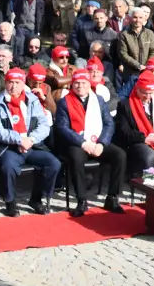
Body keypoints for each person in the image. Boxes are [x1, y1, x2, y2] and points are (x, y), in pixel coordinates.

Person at [55, 69, 128, 217]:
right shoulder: (64, 102)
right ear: (72, 85)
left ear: (89, 84)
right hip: (77, 143)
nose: (80, 86)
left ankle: (112, 197)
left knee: (120, 155)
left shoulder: (98, 100)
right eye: (77, 83)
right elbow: (63, 128)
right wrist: (83, 143)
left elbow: (109, 124)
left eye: (83, 83)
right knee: (76, 158)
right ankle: (81, 200)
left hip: (97, 142)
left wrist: (102, 143)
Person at [0, 68, 61, 217]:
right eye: (10, 82)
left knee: (53, 163)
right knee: (8, 167)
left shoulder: (32, 100)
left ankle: (36, 199)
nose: (13, 86)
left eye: (17, 82)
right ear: (5, 83)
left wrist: (31, 139)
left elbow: (44, 125)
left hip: (32, 145)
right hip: (9, 147)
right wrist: (19, 139)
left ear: (23, 84)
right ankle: (10, 202)